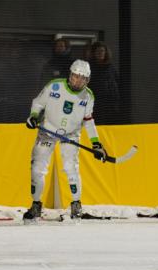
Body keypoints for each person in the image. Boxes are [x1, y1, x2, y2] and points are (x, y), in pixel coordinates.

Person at [23, 59, 106, 222]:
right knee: (38, 168)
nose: (78, 80)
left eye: (82, 78)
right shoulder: (54, 86)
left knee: (71, 168)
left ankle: (76, 205)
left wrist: (96, 143)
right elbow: (38, 103)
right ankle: (36, 205)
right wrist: (33, 117)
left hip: (71, 134)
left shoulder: (88, 96)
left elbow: (88, 120)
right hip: (48, 130)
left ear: (87, 80)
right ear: (70, 75)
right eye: (75, 76)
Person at [86, 40, 119, 124]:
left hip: (111, 107)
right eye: (97, 51)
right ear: (93, 53)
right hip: (95, 107)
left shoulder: (111, 68)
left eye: (102, 51)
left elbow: (117, 85)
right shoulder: (88, 68)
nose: (100, 53)